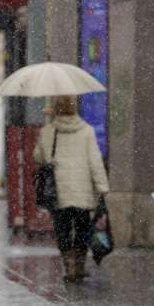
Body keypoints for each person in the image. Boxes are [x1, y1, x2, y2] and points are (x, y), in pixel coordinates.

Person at [33, 95, 109, 282]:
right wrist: (102, 185)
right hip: (82, 191)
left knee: (62, 229)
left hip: (59, 191)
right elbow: (95, 161)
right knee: (83, 228)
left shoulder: (48, 131)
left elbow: (38, 157)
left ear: (56, 111)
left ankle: (69, 267)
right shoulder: (87, 131)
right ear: (75, 109)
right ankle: (80, 264)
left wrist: (45, 135)